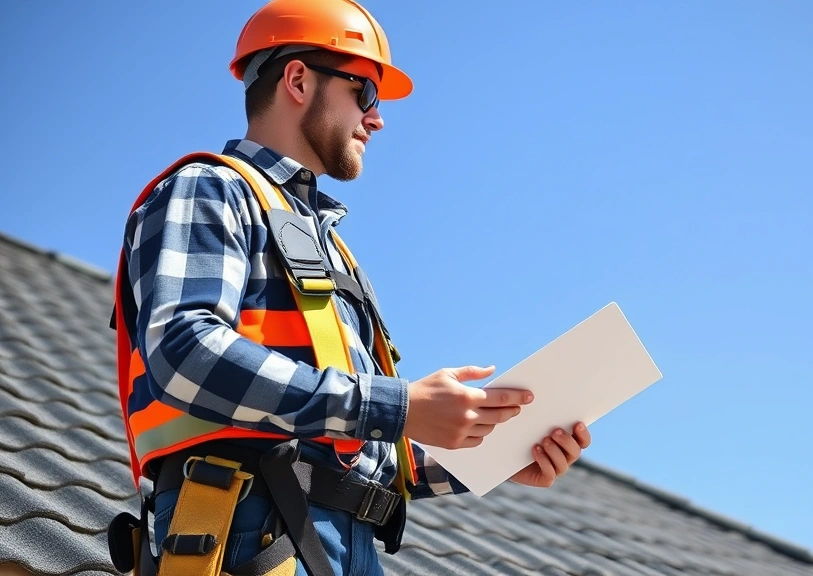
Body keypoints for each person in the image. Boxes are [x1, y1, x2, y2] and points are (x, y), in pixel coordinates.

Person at [108, 0, 591, 575]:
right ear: (297, 79)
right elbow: (184, 351)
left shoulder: (330, 248)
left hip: (336, 543)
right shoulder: (209, 190)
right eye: (365, 91)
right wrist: (400, 404)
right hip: (246, 529)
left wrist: (496, 456)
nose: (377, 118)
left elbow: (359, 444)